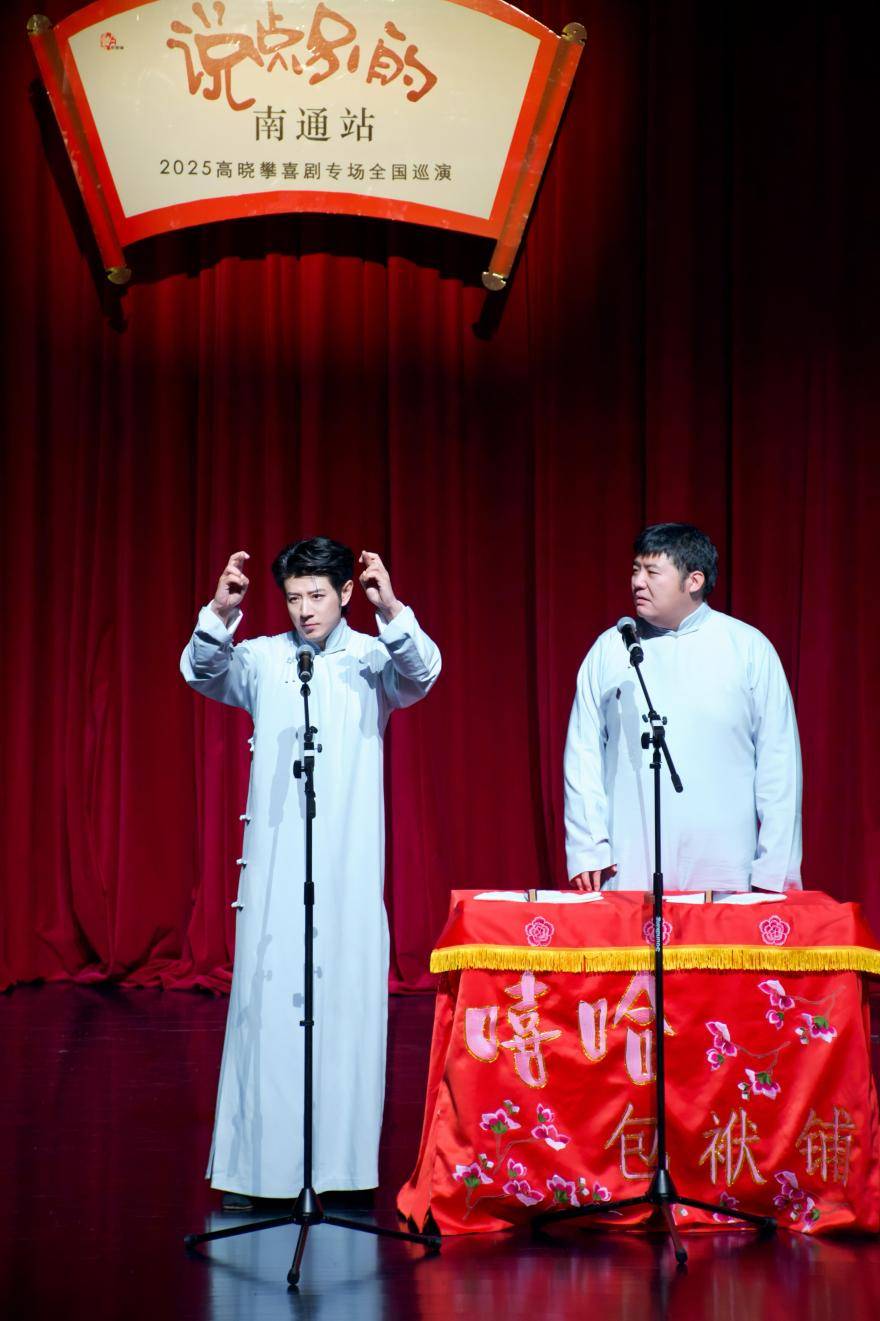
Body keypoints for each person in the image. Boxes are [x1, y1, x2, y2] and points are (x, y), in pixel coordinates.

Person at [181, 537, 441, 1209]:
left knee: (347, 1005)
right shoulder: (265, 658)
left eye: (318, 595)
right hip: (276, 868)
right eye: (294, 597)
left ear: (346, 593)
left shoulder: (372, 659)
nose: (305, 610)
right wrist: (220, 611)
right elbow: (202, 670)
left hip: (348, 866)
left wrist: (392, 609)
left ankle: (341, 1171)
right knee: (268, 1010)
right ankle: (257, 1173)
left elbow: (423, 673)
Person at [564, 523, 802, 894]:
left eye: (652, 572)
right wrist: (587, 847)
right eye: (635, 570)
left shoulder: (747, 648)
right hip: (628, 862)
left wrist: (775, 869)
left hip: (726, 867)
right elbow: (583, 755)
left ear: (694, 581)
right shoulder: (610, 649)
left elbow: (779, 762)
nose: (637, 583)